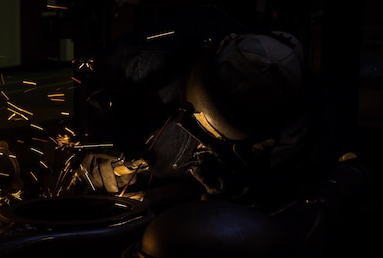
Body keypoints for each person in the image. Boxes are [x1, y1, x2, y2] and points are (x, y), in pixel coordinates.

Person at [77, 3, 356, 214]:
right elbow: (96, 81)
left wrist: (239, 193)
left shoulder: (299, 123)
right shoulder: (152, 57)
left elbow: (277, 192)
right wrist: (102, 142)